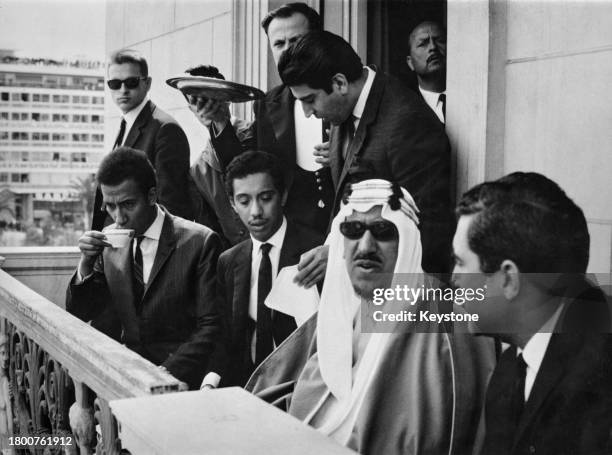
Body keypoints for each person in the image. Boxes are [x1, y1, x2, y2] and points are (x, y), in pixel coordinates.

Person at [246, 179, 494, 455]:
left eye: (383, 231)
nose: (365, 246)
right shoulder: (341, 311)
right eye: (352, 229)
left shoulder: (446, 328)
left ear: (408, 242)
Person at [452, 172, 612, 455]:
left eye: (460, 263)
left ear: (508, 280)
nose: (453, 278)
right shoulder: (510, 369)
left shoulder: (601, 380)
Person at [278, 30, 453, 275]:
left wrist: (341, 253)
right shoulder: (343, 108)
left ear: (339, 83)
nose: (308, 113)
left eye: (310, 100)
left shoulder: (408, 122)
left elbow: (426, 231)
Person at [67, 147, 221, 390]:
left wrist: (164, 375)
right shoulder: (108, 241)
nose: (118, 217)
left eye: (128, 204)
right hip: (125, 376)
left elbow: (210, 328)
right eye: (109, 206)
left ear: (151, 196)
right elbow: (80, 311)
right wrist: (85, 264)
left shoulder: (199, 242)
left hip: (179, 380)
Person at [189, 3, 332, 245]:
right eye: (279, 44)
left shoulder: (341, 92)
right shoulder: (268, 104)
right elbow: (250, 170)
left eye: (296, 40)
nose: (288, 51)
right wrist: (221, 121)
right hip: (292, 244)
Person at [201, 151, 322, 389]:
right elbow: (226, 339)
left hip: (303, 386)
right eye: (244, 201)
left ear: (283, 195)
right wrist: (210, 382)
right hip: (248, 387)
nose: (255, 211)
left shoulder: (316, 251)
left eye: (265, 198)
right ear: (233, 204)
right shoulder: (229, 261)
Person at [92, 49, 193, 230]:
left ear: (147, 83)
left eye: (131, 82)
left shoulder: (165, 130)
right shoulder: (126, 124)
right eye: (115, 83)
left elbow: (173, 209)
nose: (123, 90)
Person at [187, 64, 250, 248]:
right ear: (190, 108)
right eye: (195, 100)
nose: (203, 106)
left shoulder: (256, 134)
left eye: (210, 96)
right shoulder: (198, 170)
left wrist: (221, 121)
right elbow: (211, 232)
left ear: (227, 99)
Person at [406, 21, 446, 123]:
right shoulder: (405, 107)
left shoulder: (470, 98)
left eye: (440, 40)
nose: (433, 47)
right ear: (410, 63)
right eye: (423, 44)